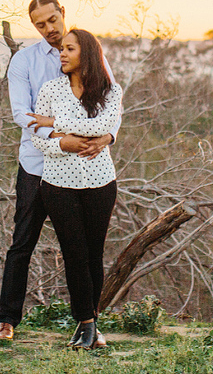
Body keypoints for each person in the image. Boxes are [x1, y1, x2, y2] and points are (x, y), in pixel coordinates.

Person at [0, 0, 116, 343]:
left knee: (85, 250)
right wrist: (63, 141)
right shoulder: (24, 61)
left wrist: (107, 136)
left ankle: (89, 323)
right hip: (36, 165)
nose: (48, 29)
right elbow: (23, 113)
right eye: (40, 25)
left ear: (62, 14)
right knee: (22, 242)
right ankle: (6, 319)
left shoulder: (91, 54)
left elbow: (110, 104)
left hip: (85, 171)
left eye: (51, 20)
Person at [27, 28, 123, 350]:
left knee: (94, 255)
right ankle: (86, 323)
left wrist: (54, 124)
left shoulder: (111, 91)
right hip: (58, 186)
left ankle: (89, 325)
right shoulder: (50, 89)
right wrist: (61, 142)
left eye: (69, 49)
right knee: (74, 253)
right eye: (61, 49)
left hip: (100, 184)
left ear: (88, 54)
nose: (62, 53)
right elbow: (36, 139)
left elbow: (101, 127)